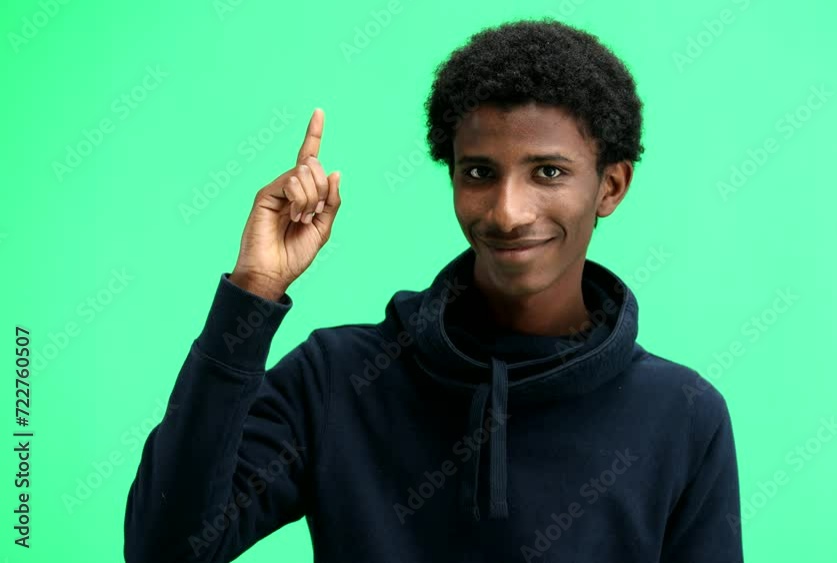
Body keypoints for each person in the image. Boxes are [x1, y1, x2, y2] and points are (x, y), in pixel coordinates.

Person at [123, 18, 743, 563]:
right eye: (480, 173)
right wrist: (252, 292)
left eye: (548, 172)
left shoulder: (684, 414)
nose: (507, 212)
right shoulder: (337, 378)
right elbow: (165, 549)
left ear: (610, 186)